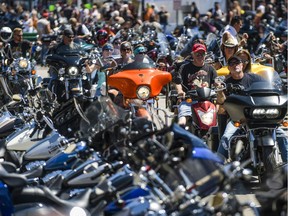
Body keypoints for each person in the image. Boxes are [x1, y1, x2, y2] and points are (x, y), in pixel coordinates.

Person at [216, 55, 288, 162]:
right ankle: (218, 166)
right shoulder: (226, 83)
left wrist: (277, 87)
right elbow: (221, 102)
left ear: (242, 65)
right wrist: (220, 90)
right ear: (228, 68)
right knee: (226, 137)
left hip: (260, 116)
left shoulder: (254, 78)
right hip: (239, 119)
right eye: (231, 64)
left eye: (237, 63)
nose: (235, 65)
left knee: (282, 135)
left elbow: (269, 88)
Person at [173, 43, 217, 126]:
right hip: (189, 100)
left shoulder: (210, 68)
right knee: (182, 119)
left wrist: (219, 85)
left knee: (217, 118)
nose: (200, 56)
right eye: (197, 54)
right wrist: (180, 91)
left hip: (207, 101)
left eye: (202, 54)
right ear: (192, 54)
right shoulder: (184, 68)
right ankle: (179, 135)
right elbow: (178, 82)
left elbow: (216, 81)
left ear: (205, 55)